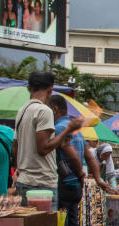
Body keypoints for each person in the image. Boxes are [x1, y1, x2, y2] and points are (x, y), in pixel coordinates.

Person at [12, 71, 82, 208]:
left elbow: (15, 146)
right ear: (51, 90)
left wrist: (19, 167)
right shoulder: (44, 110)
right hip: (42, 184)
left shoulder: (22, 111)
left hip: (24, 180)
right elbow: (43, 148)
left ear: (29, 88)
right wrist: (68, 129)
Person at [49, 94, 88, 226]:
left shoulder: (59, 128)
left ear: (54, 109)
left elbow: (70, 154)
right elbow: (87, 153)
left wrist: (80, 174)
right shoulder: (76, 130)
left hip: (66, 182)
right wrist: (81, 176)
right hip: (75, 184)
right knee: (73, 223)